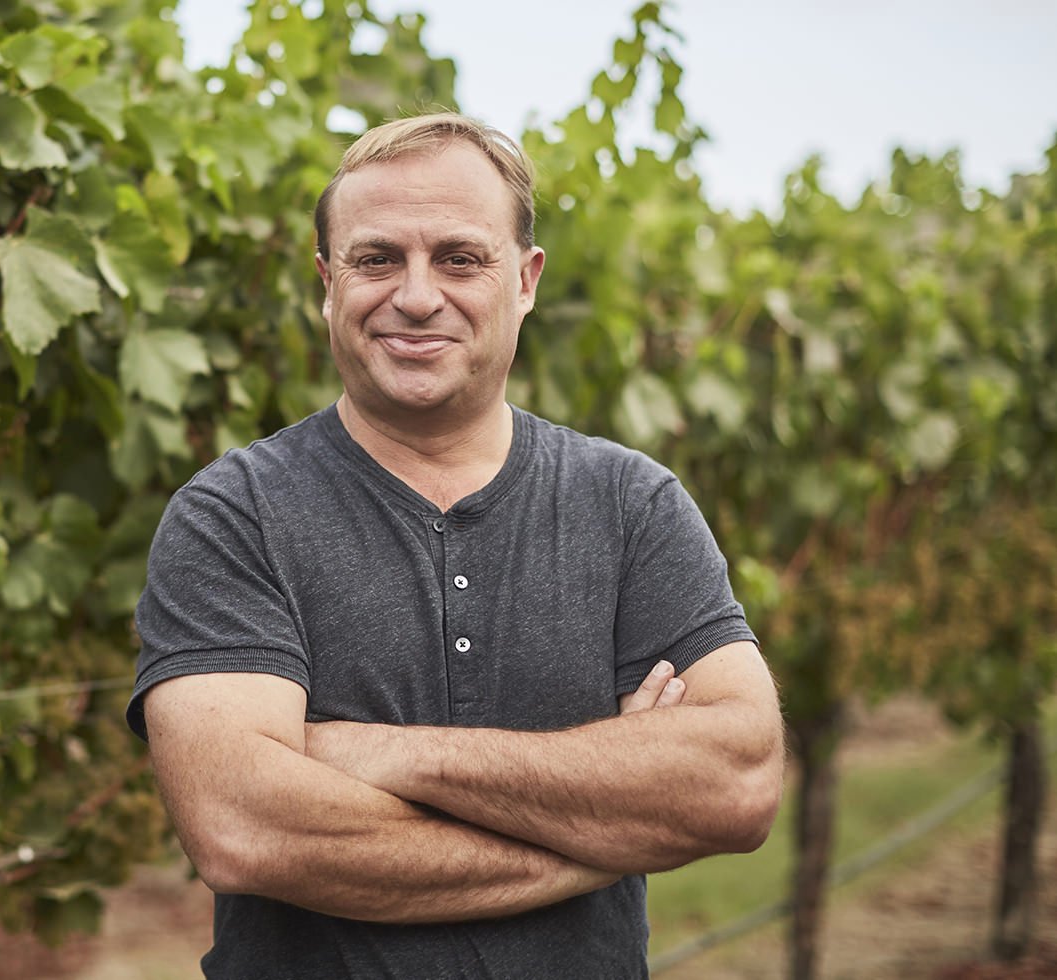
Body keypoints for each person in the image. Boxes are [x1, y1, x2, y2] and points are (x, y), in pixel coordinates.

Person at [126, 112, 785, 978]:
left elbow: (735, 784)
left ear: (525, 280)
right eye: (375, 259)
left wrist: (377, 752)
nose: (416, 294)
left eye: (460, 258)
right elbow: (246, 829)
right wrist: (607, 832)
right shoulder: (233, 515)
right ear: (327, 282)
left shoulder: (632, 506)